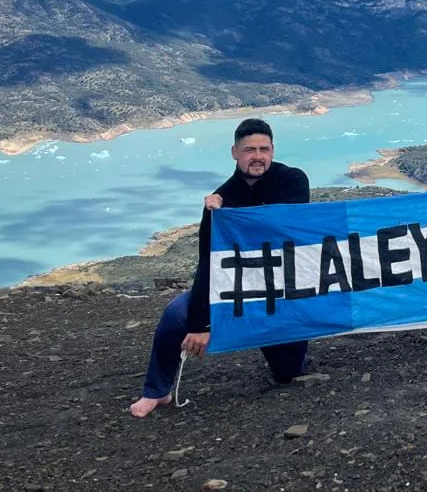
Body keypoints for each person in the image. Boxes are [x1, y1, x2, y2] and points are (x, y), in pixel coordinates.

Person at [129, 118, 310, 417]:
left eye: (264, 149)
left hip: (281, 288)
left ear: (273, 150)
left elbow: (281, 225)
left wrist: (229, 212)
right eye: (249, 150)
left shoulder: (292, 180)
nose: (258, 156)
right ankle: (157, 391)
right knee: (175, 315)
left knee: (288, 372)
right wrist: (200, 325)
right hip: (234, 286)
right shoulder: (218, 200)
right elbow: (208, 261)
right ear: (235, 153)